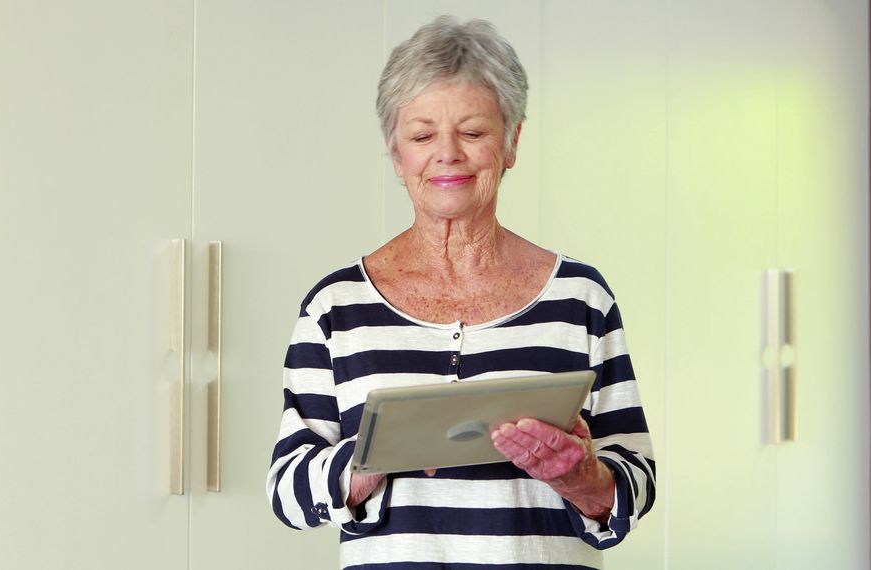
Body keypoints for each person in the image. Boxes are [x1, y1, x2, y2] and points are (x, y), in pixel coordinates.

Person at [266, 15, 655, 570]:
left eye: (472, 132)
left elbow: (636, 479)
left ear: (512, 141)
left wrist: (583, 478)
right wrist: (371, 460)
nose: (447, 154)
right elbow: (286, 491)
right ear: (396, 153)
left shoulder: (581, 297)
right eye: (422, 136)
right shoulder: (337, 307)